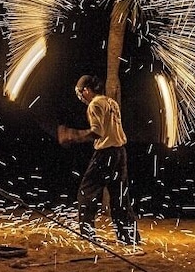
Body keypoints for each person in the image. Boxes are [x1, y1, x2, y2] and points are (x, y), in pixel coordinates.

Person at [58, 75, 140, 245]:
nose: (81, 97)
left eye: (81, 93)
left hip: (105, 154)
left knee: (86, 193)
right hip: (120, 153)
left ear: (87, 90)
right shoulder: (112, 103)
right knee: (120, 197)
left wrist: (72, 135)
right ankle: (129, 238)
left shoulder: (95, 104)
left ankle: (88, 236)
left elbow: (97, 132)